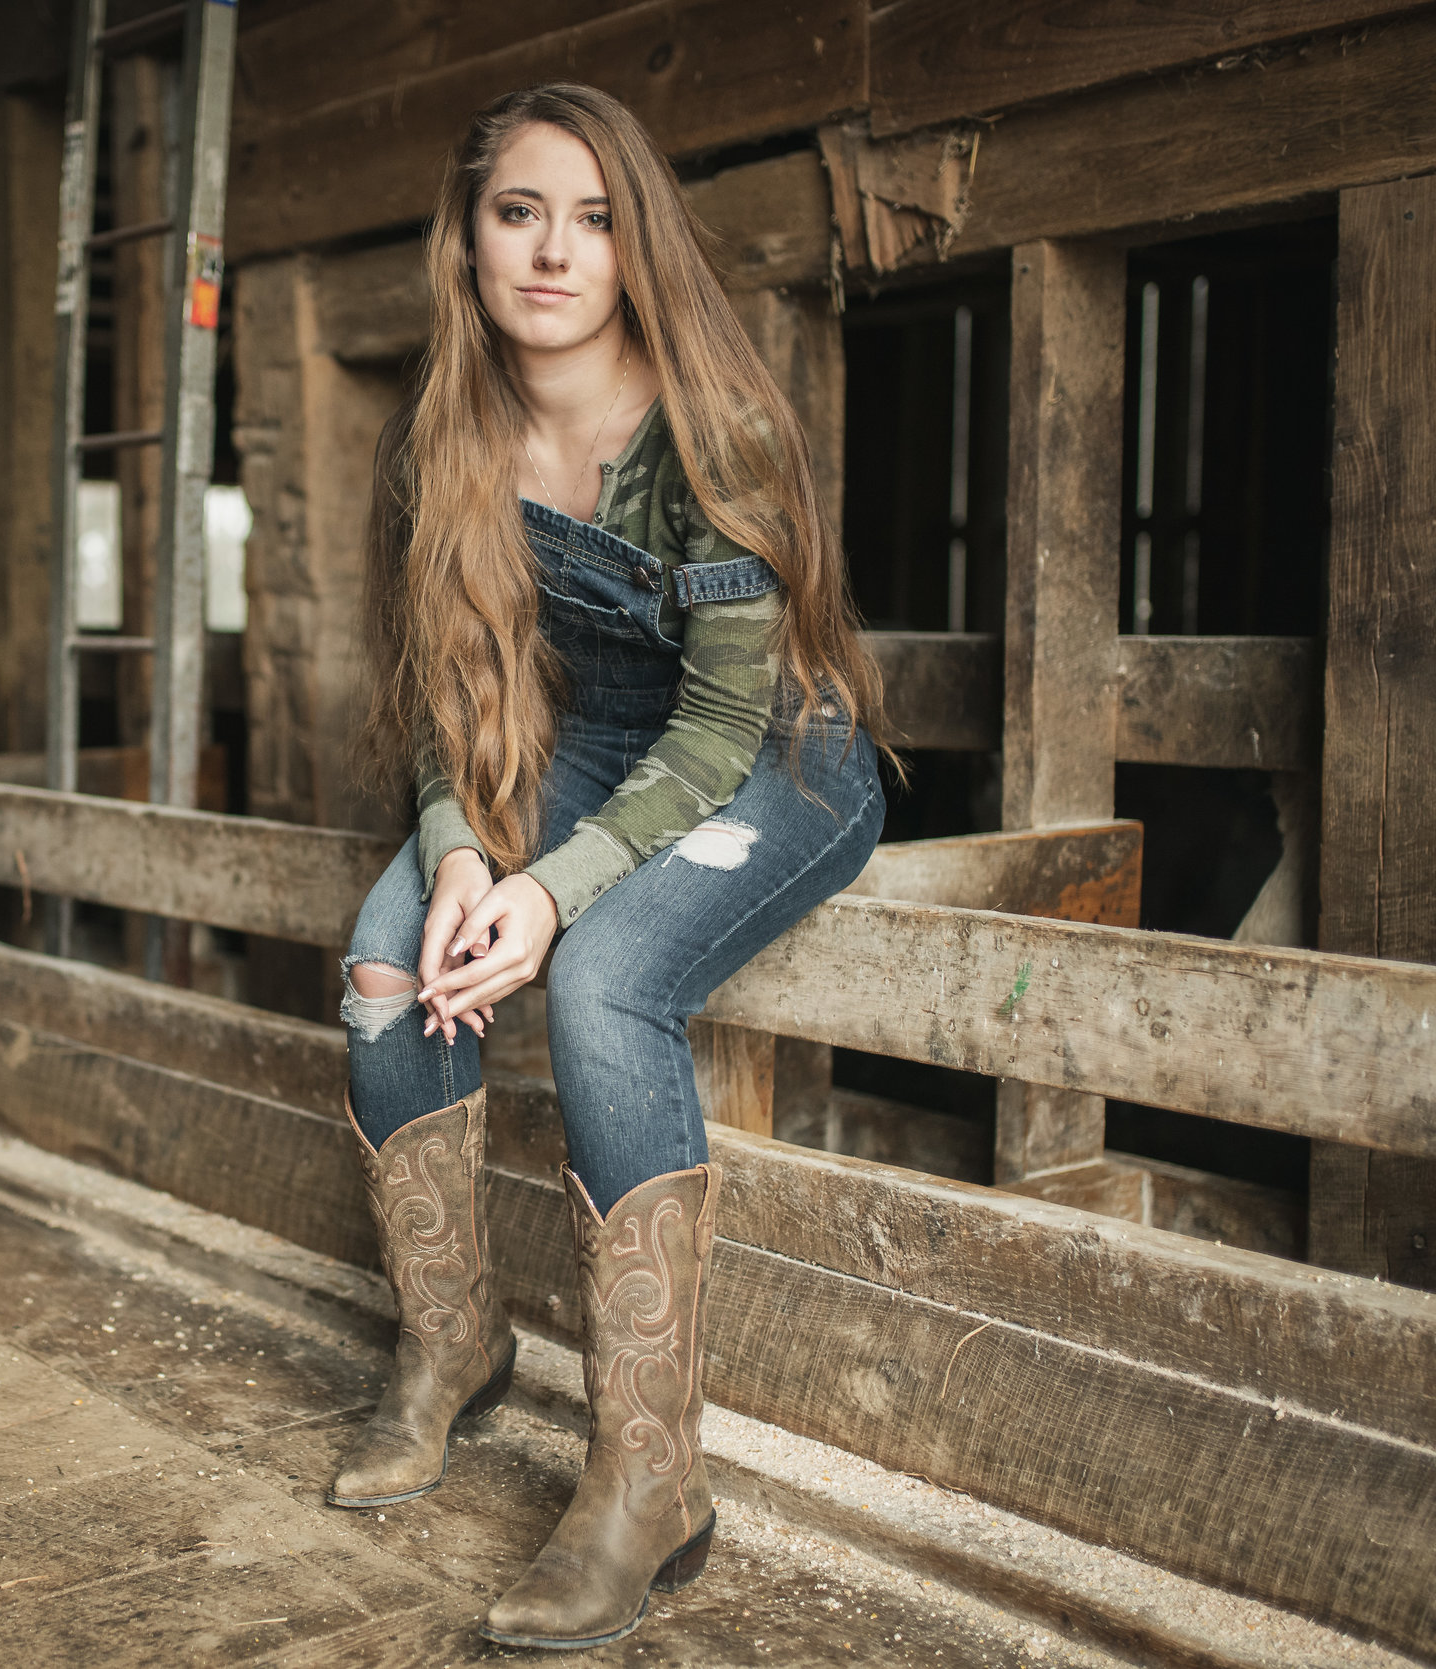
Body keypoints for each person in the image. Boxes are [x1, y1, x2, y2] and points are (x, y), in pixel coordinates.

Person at [329, 83, 889, 1650]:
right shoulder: (437, 433)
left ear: (635, 243)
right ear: (470, 238)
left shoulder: (718, 433)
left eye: (592, 218)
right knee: (386, 960)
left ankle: (650, 1480)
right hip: (568, 740)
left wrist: (555, 886)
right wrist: (457, 859)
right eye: (520, 213)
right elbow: (451, 695)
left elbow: (717, 727)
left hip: (767, 750)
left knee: (605, 981)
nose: (555, 253)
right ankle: (451, 1347)